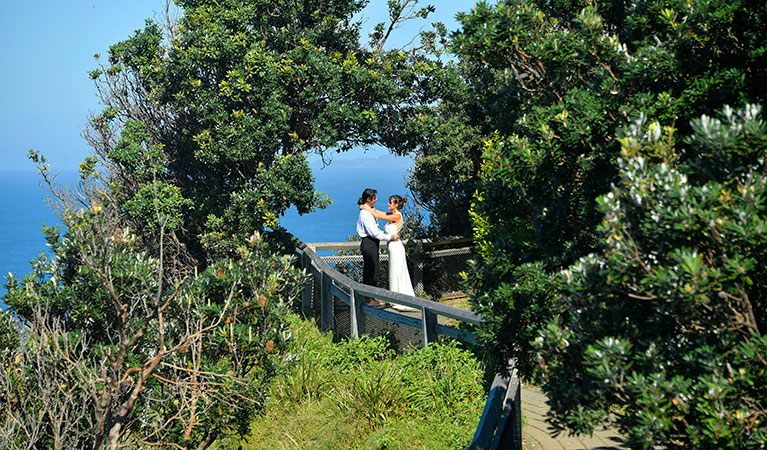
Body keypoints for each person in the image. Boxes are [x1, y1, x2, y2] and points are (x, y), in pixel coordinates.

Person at [360, 194, 417, 312]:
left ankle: (401, 300)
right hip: (392, 247)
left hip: (396, 247)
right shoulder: (392, 215)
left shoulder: (396, 216)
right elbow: (377, 212)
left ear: (396, 205)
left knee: (397, 272)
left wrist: (365, 208)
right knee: (394, 271)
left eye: (390, 202)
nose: (388, 204)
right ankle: (395, 299)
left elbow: (377, 215)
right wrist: (368, 207)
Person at [357, 188, 398, 307]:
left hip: (371, 243)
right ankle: (369, 299)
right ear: (369, 199)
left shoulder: (368, 210)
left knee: (372, 271)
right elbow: (374, 233)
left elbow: (377, 213)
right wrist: (390, 237)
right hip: (369, 243)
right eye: (374, 198)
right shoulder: (366, 214)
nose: (376, 199)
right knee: (371, 271)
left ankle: (370, 297)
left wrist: (364, 206)